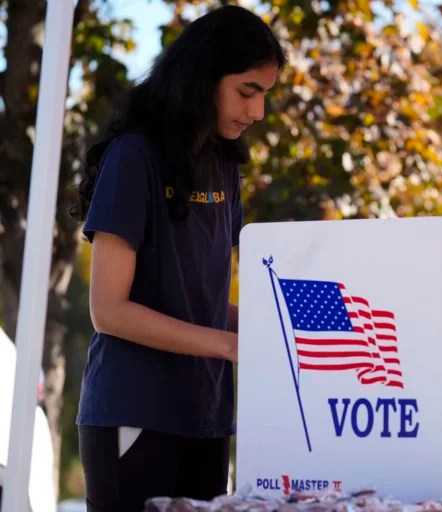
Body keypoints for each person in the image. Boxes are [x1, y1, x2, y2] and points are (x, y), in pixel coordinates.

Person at [69, 5, 286, 511]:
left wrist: (273, 331)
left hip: (208, 417)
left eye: (264, 96)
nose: (256, 113)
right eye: (247, 92)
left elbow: (203, 303)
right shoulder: (133, 156)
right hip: (135, 412)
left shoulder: (224, 166)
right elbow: (108, 310)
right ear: (203, 77)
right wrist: (229, 345)